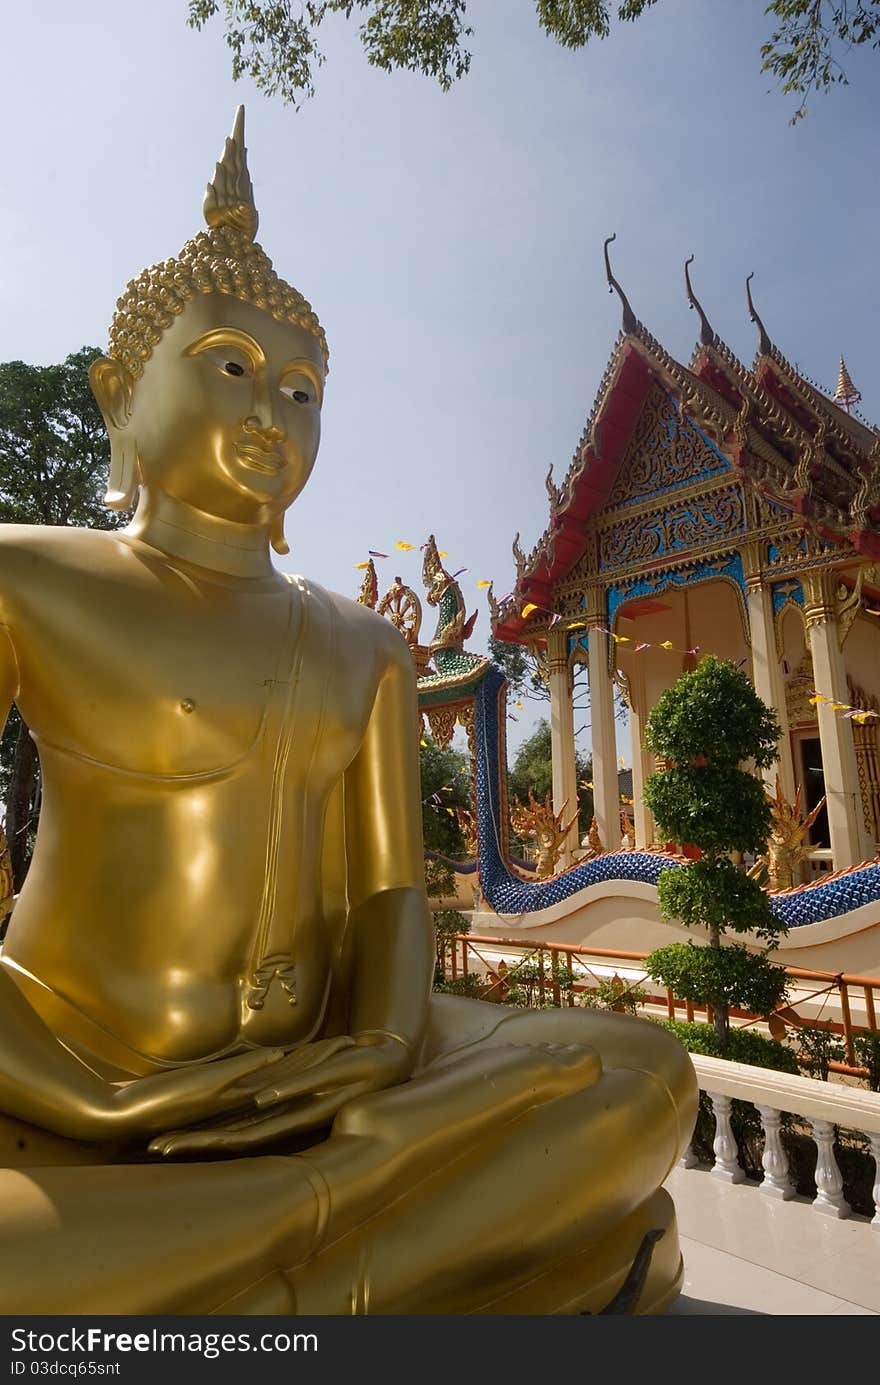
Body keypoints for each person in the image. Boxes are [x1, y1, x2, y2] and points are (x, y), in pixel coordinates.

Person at [0, 110, 696, 1313]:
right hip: (62, 1070)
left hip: (338, 1060)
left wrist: (378, 1051)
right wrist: (88, 1096)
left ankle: (282, 1274)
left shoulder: (364, 642)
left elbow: (386, 893)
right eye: (227, 363)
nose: (272, 405)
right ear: (121, 393)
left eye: (302, 385)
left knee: (639, 1071)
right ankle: (403, 1258)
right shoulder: (28, 578)